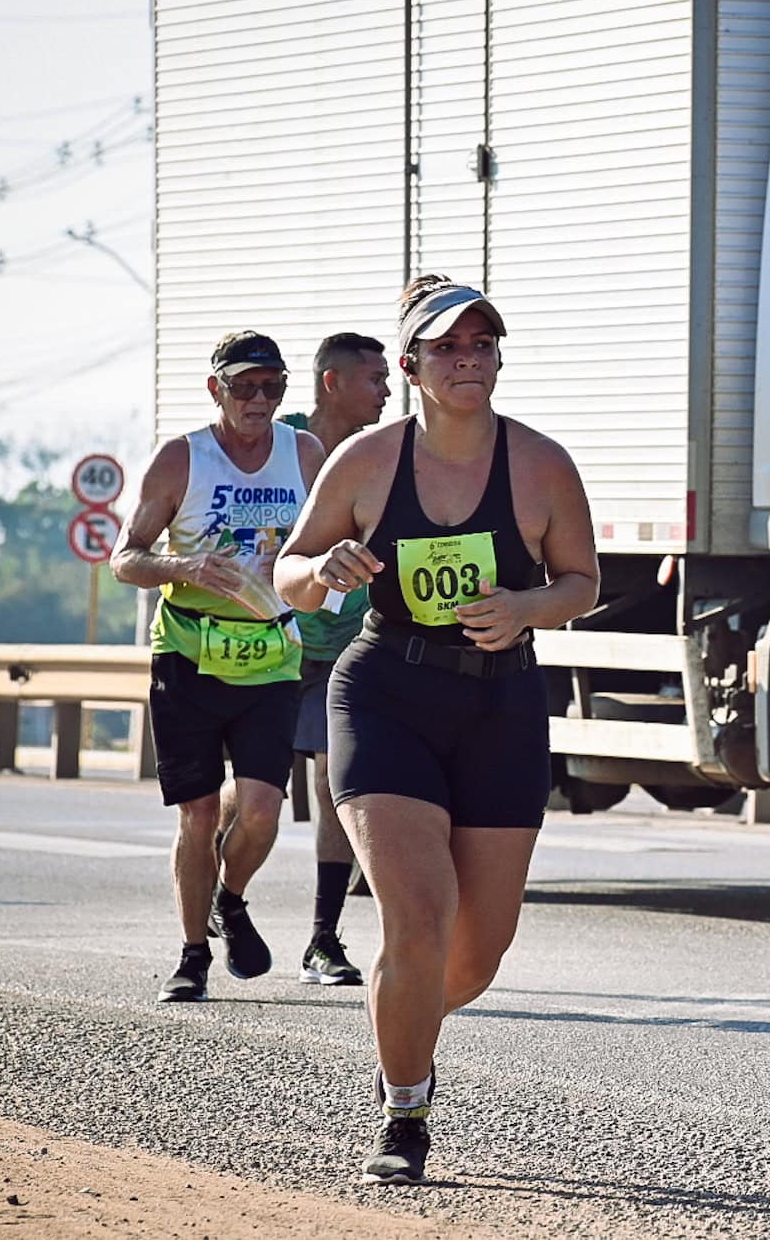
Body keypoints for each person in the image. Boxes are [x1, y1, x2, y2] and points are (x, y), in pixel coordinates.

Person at [273, 275, 598, 1186]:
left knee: (477, 951)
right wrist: (322, 567)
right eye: (448, 348)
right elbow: (292, 574)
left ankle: (402, 1012)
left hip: (501, 706)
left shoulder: (539, 463)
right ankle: (404, 1111)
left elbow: (583, 581)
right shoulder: (367, 463)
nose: (468, 360)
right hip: (387, 695)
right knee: (418, 915)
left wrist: (527, 606)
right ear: (410, 364)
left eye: (482, 345)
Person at [112, 331, 326, 1003]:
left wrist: (323, 569)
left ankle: (229, 898)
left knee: (262, 807)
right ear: (216, 390)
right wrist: (182, 566)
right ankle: (193, 953)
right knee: (200, 813)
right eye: (244, 386)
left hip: (272, 653)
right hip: (189, 653)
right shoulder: (183, 458)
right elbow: (125, 556)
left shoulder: (306, 454)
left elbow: (334, 537)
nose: (259, 399)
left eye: (272, 386)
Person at [277, 332, 391, 986]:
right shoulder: (284, 445)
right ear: (332, 382)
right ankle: (217, 864)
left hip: (344, 651)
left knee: (331, 784)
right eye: (373, 378)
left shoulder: (387, 453)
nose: (385, 390)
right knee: (255, 792)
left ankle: (323, 939)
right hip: (273, 642)